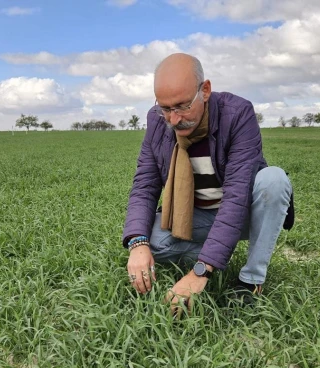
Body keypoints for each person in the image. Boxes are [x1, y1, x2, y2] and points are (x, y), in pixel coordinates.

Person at [122, 53, 294, 316]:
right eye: (165, 108)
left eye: (181, 106)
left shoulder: (236, 114)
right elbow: (145, 184)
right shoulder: (158, 121)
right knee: (151, 239)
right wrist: (138, 244)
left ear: (205, 90)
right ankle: (217, 251)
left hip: (245, 213)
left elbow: (237, 197)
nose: (174, 119)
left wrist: (200, 272)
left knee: (274, 180)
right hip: (198, 216)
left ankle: (251, 279)